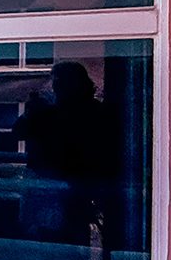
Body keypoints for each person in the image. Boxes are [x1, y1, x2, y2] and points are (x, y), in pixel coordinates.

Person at [10, 61, 117, 245]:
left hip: (66, 191)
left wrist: (33, 114)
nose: (55, 87)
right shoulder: (84, 110)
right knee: (66, 248)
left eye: (59, 82)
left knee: (60, 246)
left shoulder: (62, 113)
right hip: (65, 191)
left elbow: (20, 133)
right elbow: (19, 132)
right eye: (55, 82)